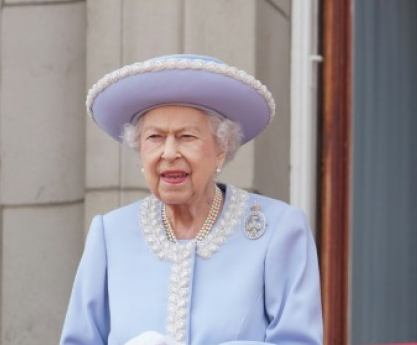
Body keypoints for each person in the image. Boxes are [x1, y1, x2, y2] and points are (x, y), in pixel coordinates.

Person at [60, 54, 323, 344]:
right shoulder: (110, 235)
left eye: (186, 136)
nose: (169, 153)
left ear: (221, 148)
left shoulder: (279, 230)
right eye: (155, 138)